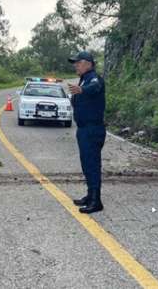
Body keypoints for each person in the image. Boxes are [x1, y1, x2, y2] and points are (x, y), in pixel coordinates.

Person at [67, 51, 106, 214]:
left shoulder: (93, 78)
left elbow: (95, 87)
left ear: (88, 63)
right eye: (75, 63)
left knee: (92, 164)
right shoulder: (84, 79)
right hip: (84, 129)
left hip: (92, 129)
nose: (75, 65)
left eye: (78, 62)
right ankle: (90, 196)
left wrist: (81, 91)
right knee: (86, 164)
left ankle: (96, 201)